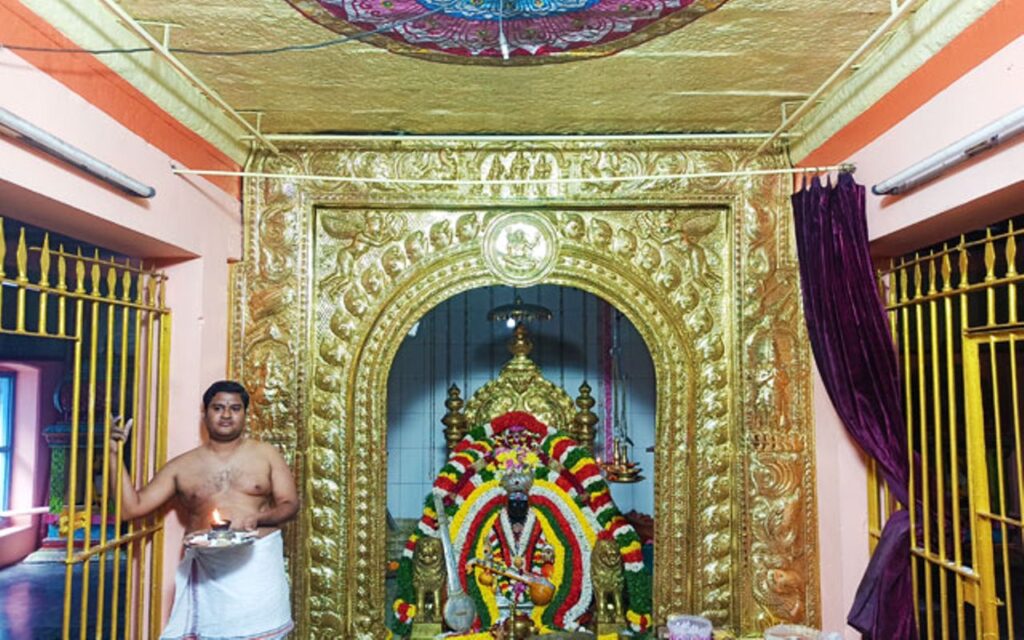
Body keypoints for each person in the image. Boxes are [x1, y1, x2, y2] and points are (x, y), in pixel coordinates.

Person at [110, 380, 298, 640]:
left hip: (257, 571)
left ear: (245, 414)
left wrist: (257, 518)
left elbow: (290, 504)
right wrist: (113, 455)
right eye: (218, 408)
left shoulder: (266, 454)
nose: (226, 415)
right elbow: (132, 508)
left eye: (234, 408)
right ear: (205, 413)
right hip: (209, 575)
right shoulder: (182, 466)